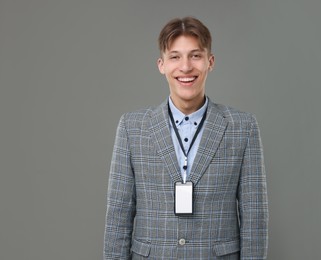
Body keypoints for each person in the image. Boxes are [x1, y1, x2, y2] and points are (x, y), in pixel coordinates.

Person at [104, 17, 268, 259]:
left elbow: (255, 218)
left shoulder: (242, 127)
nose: (185, 67)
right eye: (175, 57)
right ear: (161, 65)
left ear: (210, 62)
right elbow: (118, 215)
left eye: (195, 55)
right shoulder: (132, 127)